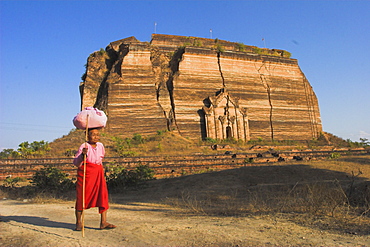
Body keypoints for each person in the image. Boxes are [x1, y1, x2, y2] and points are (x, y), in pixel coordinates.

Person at [73, 128, 116, 231]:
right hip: (86, 174)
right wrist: (83, 155)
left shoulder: (100, 146)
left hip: (98, 173)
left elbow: (100, 158)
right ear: (87, 136)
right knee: (82, 197)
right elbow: (76, 163)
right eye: (93, 134)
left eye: (98, 134)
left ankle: (103, 222)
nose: (96, 136)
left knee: (102, 196)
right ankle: (78, 222)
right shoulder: (84, 146)